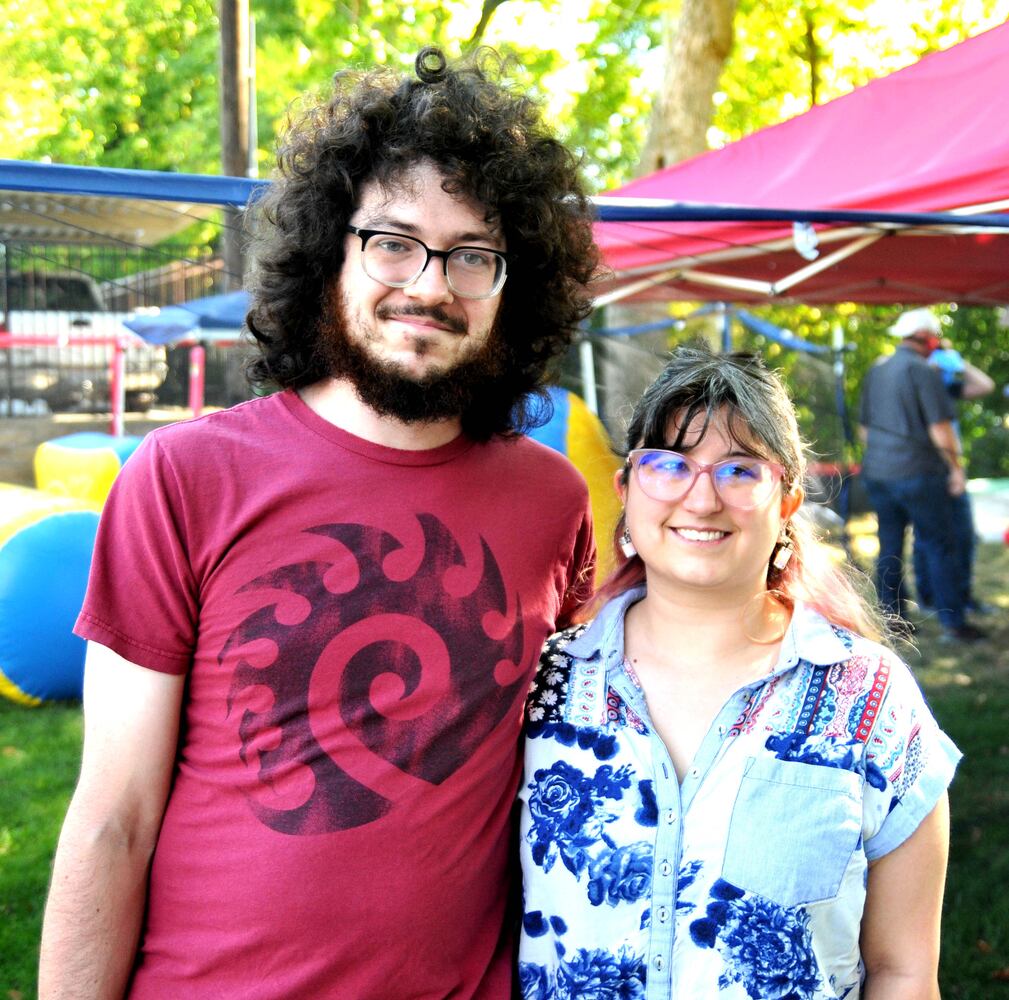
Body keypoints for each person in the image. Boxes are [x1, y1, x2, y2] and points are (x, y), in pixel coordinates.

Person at [40, 48, 598, 1000]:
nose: (429, 284)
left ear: (515, 288)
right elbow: (113, 817)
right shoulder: (187, 476)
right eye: (393, 241)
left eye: (473, 255)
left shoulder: (554, 502)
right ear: (329, 252)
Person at [518, 346, 959, 1000]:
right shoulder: (540, 684)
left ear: (786, 504)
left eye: (739, 470)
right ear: (624, 491)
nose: (701, 498)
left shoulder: (869, 698)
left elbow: (901, 971)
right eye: (668, 464)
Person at [858, 308, 985, 642]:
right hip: (919, 474)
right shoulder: (922, 371)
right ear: (929, 339)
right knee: (938, 545)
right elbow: (940, 429)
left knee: (889, 546)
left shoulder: (877, 369)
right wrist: (956, 469)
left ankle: (892, 620)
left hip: (878, 473)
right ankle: (953, 623)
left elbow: (864, 431)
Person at [912, 338, 995, 615]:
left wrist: (959, 362)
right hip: (928, 473)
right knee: (929, 539)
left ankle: (961, 597)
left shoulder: (947, 386)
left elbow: (985, 385)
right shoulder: (914, 385)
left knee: (963, 537)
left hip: (951, 472)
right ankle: (930, 599)